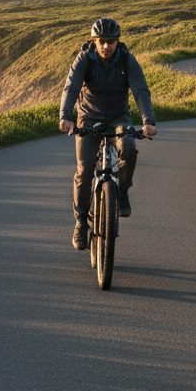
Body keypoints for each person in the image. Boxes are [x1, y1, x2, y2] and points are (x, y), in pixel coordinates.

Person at [58, 18, 157, 250]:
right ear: (94, 41)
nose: (106, 46)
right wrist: (65, 116)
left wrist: (148, 121)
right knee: (85, 170)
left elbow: (140, 89)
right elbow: (71, 87)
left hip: (118, 118)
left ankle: (121, 192)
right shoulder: (85, 59)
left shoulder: (126, 59)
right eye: (102, 41)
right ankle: (81, 222)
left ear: (117, 41)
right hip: (88, 119)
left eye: (111, 41)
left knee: (129, 148)